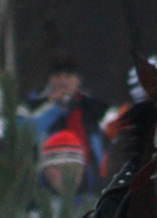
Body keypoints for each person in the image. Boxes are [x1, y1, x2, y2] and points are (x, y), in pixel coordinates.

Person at [22, 56, 109, 195]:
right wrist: (55, 109)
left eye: (68, 76)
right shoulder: (34, 106)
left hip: (88, 187)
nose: (62, 82)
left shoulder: (92, 108)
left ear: (78, 80)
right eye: (57, 76)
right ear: (50, 79)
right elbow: (24, 135)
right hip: (45, 189)